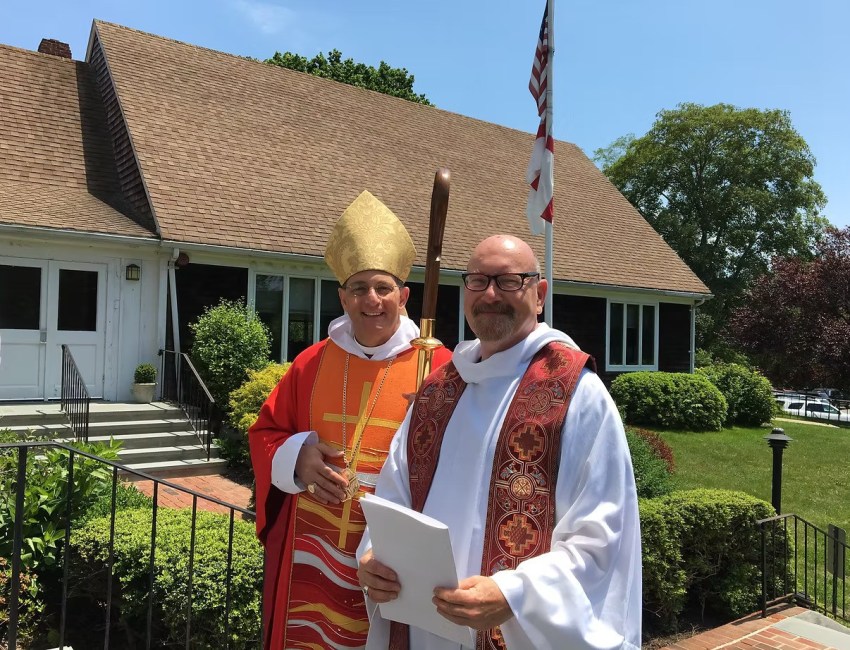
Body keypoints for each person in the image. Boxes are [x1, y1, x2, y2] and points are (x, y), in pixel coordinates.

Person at [357, 234, 642, 650]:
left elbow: (603, 537)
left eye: (509, 281)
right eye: (477, 281)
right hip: (421, 630)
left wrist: (514, 594)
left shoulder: (576, 393)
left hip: (517, 632)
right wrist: (373, 557)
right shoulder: (438, 391)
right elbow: (393, 496)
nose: (490, 294)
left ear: (539, 294)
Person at [249, 190, 452, 650]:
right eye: (359, 288)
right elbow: (266, 432)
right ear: (343, 296)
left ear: (404, 295)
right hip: (313, 545)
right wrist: (295, 458)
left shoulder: (438, 366)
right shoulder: (311, 363)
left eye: (383, 288)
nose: (371, 299)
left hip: (391, 556)